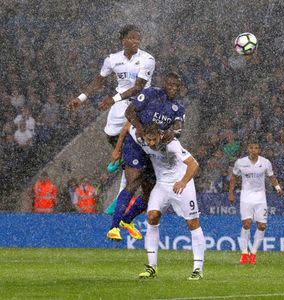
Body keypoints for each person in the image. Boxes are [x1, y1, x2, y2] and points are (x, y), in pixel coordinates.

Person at [66, 25, 155, 219]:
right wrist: (80, 99)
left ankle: (123, 192)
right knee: (109, 133)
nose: (135, 41)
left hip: (141, 103)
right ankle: (123, 157)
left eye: (137, 38)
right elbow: (98, 81)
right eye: (131, 38)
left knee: (130, 138)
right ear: (122, 39)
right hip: (120, 102)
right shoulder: (112, 60)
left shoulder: (147, 59)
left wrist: (112, 99)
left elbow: (138, 88)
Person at [119, 123, 205, 280]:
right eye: (148, 140)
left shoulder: (172, 144)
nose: (151, 143)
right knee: (152, 217)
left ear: (159, 135)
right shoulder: (142, 139)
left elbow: (194, 164)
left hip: (181, 184)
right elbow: (127, 126)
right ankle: (152, 267)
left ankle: (198, 269)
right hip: (162, 185)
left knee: (192, 223)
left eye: (154, 139)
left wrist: (184, 182)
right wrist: (118, 150)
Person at [106, 72, 185, 241]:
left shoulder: (178, 108)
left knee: (150, 192)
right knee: (133, 182)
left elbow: (179, 127)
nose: (173, 89)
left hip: (154, 149)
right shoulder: (150, 94)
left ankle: (126, 221)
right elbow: (129, 112)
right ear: (164, 83)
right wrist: (138, 129)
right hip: (135, 144)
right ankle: (113, 228)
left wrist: (173, 132)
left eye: (177, 87)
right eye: (171, 85)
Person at [228, 141, 284, 265]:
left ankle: (253, 253)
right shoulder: (240, 162)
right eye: (251, 147)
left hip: (260, 197)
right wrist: (231, 193)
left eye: (256, 148)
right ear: (248, 149)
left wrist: (278, 188)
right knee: (247, 224)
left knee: (262, 226)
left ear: (259, 150)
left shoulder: (265, 162)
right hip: (246, 197)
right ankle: (244, 253)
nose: (253, 150)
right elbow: (233, 178)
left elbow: (271, 177)